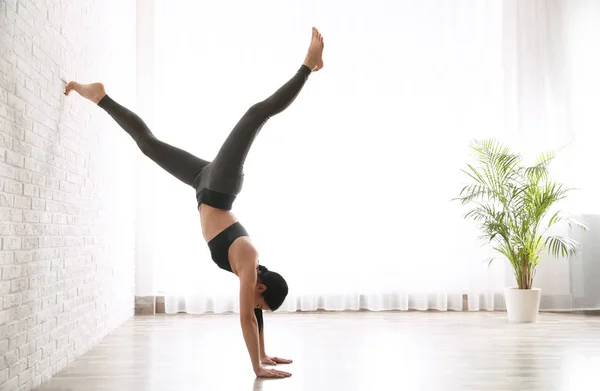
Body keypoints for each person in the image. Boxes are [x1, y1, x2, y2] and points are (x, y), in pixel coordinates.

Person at [65, 27, 325, 379]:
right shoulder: (248, 259)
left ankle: (100, 97)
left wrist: (266, 355)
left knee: (149, 145)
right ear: (260, 288)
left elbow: (255, 315)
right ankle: (308, 66)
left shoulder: (250, 274)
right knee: (255, 115)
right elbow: (247, 317)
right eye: (261, 300)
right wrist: (257, 369)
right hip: (219, 187)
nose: (257, 305)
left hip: (202, 183)